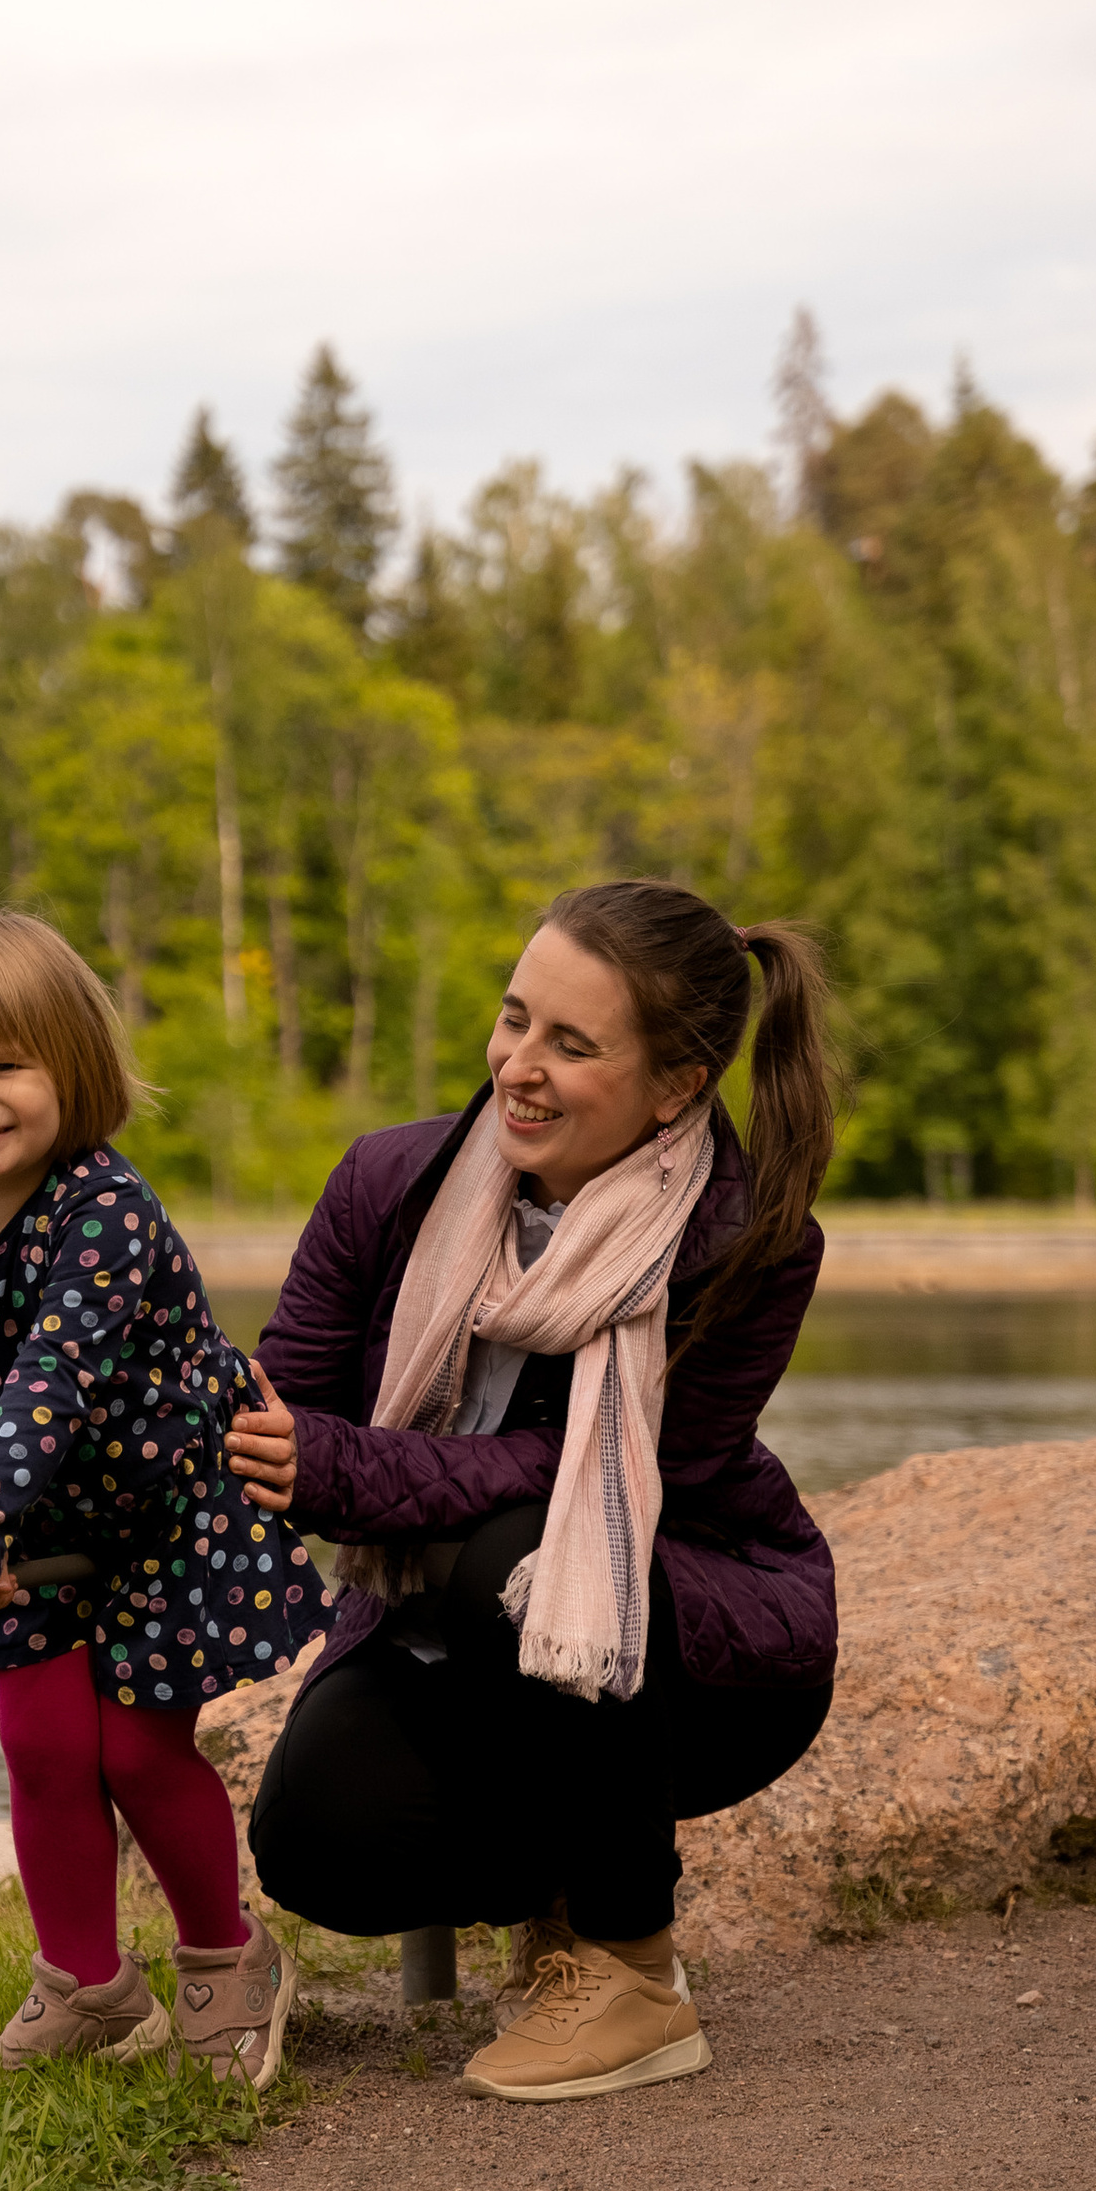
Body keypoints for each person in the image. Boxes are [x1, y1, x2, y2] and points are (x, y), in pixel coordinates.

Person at [226, 879, 838, 2103]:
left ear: (675, 1086)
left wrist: (340, 1466)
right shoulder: (391, 1185)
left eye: (571, 1043)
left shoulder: (746, 1239)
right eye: (514, 1021)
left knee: (511, 1549)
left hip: (694, 1655)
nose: (518, 1065)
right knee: (317, 1844)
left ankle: (633, 1969)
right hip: (455, 1634)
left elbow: (587, 1479)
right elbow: (280, 1402)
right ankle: (558, 1896)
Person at [0, 906, 319, 2085]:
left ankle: (228, 1961)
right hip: (30, 1521)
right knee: (41, 1745)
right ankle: (85, 1984)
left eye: (4, 1064)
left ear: (71, 1068)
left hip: (166, 1507)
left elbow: (50, 1378)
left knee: (134, 1748)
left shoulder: (103, 1207)